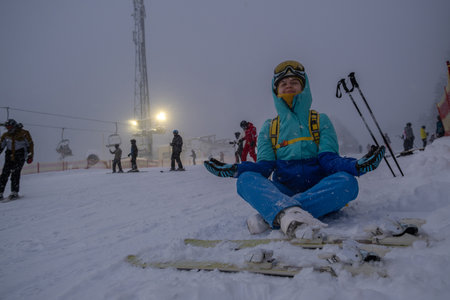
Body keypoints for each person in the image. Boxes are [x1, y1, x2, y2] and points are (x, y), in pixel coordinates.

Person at [204, 60, 385, 238]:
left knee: (348, 183)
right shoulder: (270, 127)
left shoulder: (320, 120)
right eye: (283, 83)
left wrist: (357, 166)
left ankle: (276, 215)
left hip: (318, 191)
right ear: (276, 90)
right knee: (245, 180)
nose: (288, 86)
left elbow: (329, 161)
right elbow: (265, 167)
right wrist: (236, 169)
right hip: (287, 191)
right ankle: (289, 212)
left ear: (303, 87)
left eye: (294, 82)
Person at [0, 119, 34, 200]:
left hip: (20, 155)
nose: (8, 128)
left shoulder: (24, 133)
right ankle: (0, 192)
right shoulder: (5, 135)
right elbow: (1, 145)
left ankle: (14, 192)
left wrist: (30, 156)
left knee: (15, 173)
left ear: (14, 126)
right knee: (4, 174)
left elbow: (30, 144)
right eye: (7, 127)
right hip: (9, 155)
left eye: (10, 127)